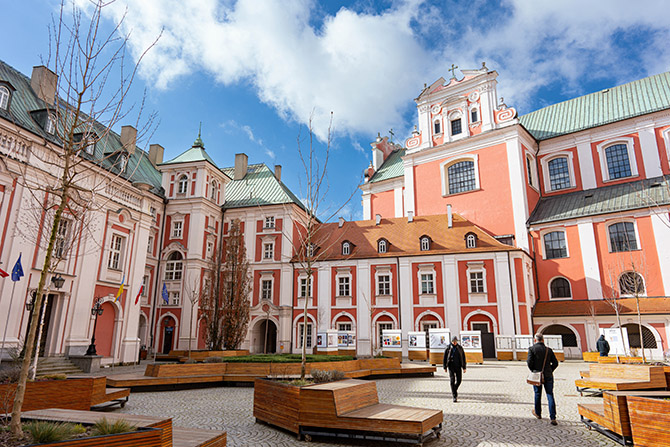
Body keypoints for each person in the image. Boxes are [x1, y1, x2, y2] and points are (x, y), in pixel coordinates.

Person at [527, 333, 559, 425]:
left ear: (535, 340)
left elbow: (529, 362)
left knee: (537, 394)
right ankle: (553, 417)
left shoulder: (532, 349)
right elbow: (555, 363)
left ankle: (538, 413)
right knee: (550, 395)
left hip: (537, 375)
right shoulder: (548, 350)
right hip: (548, 375)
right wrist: (549, 370)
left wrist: (534, 371)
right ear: (543, 340)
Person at [443, 336, 467, 402]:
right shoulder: (448, 348)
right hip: (451, 366)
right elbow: (445, 358)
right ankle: (454, 396)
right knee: (452, 380)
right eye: (454, 341)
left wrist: (464, 367)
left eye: (456, 341)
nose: (455, 342)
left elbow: (463, 357)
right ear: (451, 341)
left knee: (459, 380)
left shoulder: (460, 348)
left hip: (458, 366)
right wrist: (445, 367)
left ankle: (454, 389)